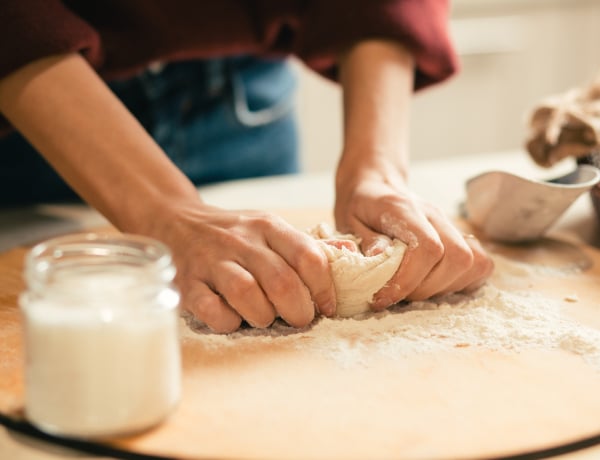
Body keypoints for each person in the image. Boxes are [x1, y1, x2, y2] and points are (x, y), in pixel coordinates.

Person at [0, 1, 494, 333]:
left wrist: (376, 169)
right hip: (34, 112)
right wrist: (165, 212)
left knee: (270, 278)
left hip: (244, 95)